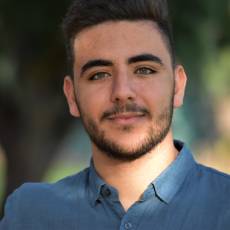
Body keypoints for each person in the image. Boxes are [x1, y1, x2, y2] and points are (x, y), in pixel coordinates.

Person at [1, 0, 230, 229]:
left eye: (144, 70)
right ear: (72, 97)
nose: (122, 92)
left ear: (177, 86)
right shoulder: (29, 214)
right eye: (99, 75)